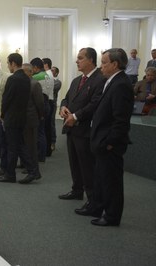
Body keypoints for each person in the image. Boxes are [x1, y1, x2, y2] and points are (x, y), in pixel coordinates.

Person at [58, 48, 105, 217]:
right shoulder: (77, 79)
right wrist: (63, 107)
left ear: (91, 60)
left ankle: (92, 199)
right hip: (71, 128)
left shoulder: (100, 79)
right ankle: (76, 190)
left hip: (85, 129)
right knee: (74, 163)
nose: (77, 61)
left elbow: (95, 103)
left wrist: (76, 116)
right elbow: (67, 97)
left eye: (80, 58)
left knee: (87, 166)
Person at [90, 48, 134, 226]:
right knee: (102, 178)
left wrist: (110, 143)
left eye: (104, 63)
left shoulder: (121, 84)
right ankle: (100, 208)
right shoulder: (111, 81)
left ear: (115, 64)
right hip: (102, 140)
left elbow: (120, 120)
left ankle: (112, 216)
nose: (101, 67)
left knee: (112, 182)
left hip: (110, 143)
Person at [0, 53, 30, 183]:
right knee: (20, 145)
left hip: (11, 118)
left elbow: (6, 99)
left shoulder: (13, 79)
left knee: (12, 148)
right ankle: (33, 171)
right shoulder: (26, 78)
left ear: (13, 63)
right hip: (22, 117)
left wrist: (2, 115)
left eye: (8, 63)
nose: (8, 66)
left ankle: (10, 175)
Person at [18, 63, 44, 183]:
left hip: (31, 120)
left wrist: (39, 117)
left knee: (31, 147)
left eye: (24, 71)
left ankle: (35, 172)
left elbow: (39, 104)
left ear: (30, 72)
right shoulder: (23, 83)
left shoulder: (35, 84)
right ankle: (29, 168)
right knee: (25, 146)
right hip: (23, 120)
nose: (22, 73)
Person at [30, 57, 51, 162]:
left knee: (38, 133)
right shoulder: (47, 75)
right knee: (42, 131)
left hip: (40, 104)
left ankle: (39, 155)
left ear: (35, 67)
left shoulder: (36, 77)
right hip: (47, 103)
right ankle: (43, 154)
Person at [51, 66, 62, 151]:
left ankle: (53, 142)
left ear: (56, 73)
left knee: (51, 123)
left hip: (52, 104)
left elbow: (50, 89)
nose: (51, 71)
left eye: (53, 70)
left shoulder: (58, 82)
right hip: (46, 104)